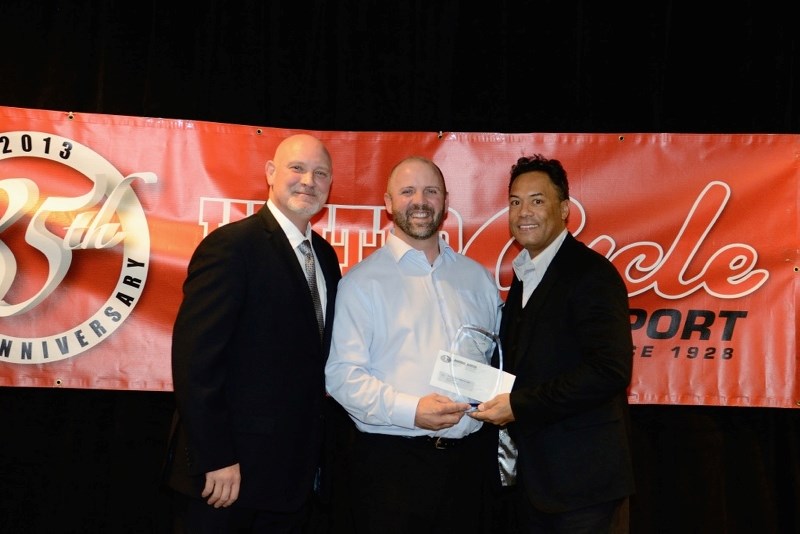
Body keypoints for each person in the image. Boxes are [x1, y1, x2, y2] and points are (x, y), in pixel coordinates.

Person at [165, 133, 342, 533]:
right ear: (270, 173)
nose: (308, 181)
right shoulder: (231, 247)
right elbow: (196, 362)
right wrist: (216, 457)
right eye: (297, 168)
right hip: (226, 479)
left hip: (290, 482)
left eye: (321, 174)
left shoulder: (326, 257)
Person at [324, 156, 503, 534]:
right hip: (393, 472)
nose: (419, 200)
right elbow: (341, 377)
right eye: (407, 191)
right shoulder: (361, 283)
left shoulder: (477, 278)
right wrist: (412, 410)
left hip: (470, 469)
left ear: (445, 201)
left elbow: (492, 360)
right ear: (388, 203)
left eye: (430, 191)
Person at [470, 154, 636, 533]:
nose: (524, 211)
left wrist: (517, 405)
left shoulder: (591, 274)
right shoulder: (525, 275)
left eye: (537, 200)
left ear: (564, 210)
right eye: (515, 202)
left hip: (583, 487)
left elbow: (608, 370)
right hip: (533, 483)